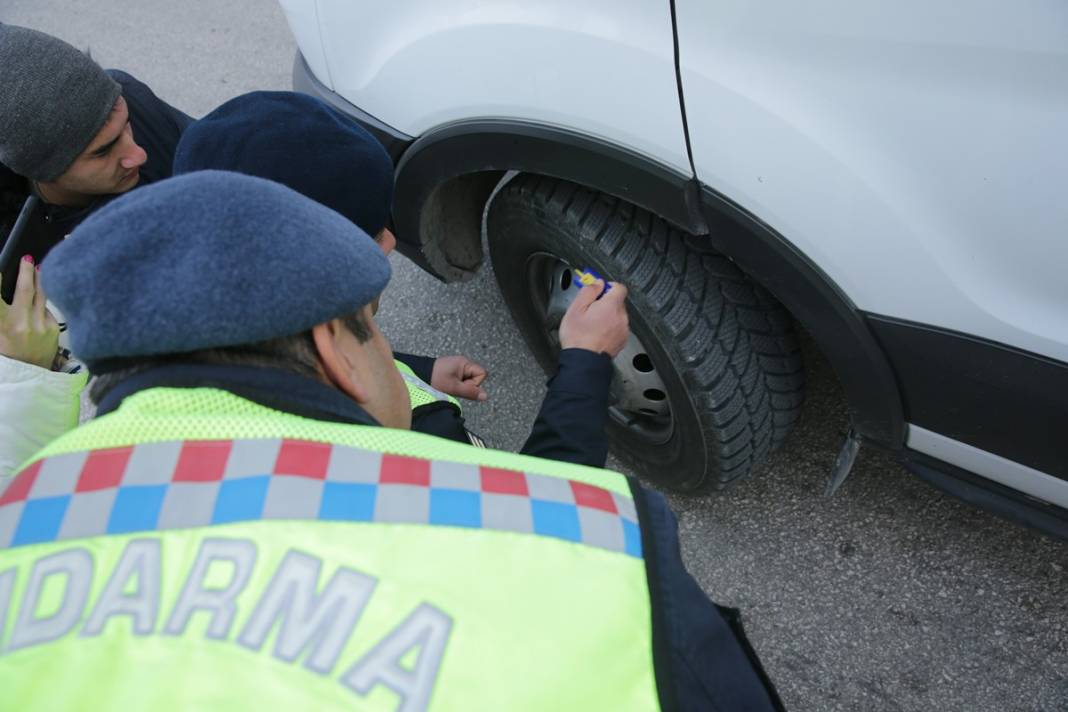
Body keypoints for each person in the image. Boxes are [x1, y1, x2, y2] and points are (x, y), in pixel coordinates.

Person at [0, 171, 782, 710]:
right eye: (373, 326)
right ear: (336, 350)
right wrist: (584, 362)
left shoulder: (25, 505)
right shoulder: (573, 539)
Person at [171, 90, 493, 448]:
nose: (388, 242)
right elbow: (515, 498)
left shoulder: (182, 347)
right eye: (370, 234)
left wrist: (421, 369)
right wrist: (570, 364)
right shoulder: (424, 437)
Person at [0, 22, 192, 475]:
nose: (137, 154)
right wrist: (29, 366)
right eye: (105, 152)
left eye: (127, 126)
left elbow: (231, 169)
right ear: (41, 170)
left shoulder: (131, 104)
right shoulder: (12, 239)